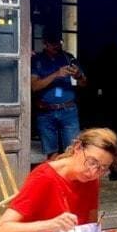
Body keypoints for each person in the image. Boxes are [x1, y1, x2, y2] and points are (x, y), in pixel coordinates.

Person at [31, 28, 87, 159]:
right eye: (53, 43)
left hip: (68, 110)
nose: (57, 46)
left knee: (73, 150)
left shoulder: (68, 58)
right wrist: (56, 74)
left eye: (59, 42)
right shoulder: (37, 60)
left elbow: (84, 83)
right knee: (52, 153)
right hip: (46, 112)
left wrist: (78, 75)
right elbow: (34, 86)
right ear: (45, 44)